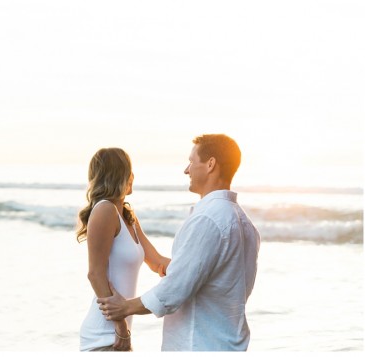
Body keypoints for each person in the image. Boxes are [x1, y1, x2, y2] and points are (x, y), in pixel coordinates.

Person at [97, 134, 261, 351]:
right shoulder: (246, 225)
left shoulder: (208, 219)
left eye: (192, 162)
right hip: (229, 343)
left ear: (211, 164)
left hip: (199, 345)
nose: (187, 170)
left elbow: (175, 289)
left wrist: (125, 308)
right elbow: (207, 276)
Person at [77, 147, 171, 352]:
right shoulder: (104, 210)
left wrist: (199, 266)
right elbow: (95, 274)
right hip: (103, 336)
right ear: (125, 176)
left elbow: (157, 262)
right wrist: (120, 326)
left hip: (118, 335)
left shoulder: (127, 215)